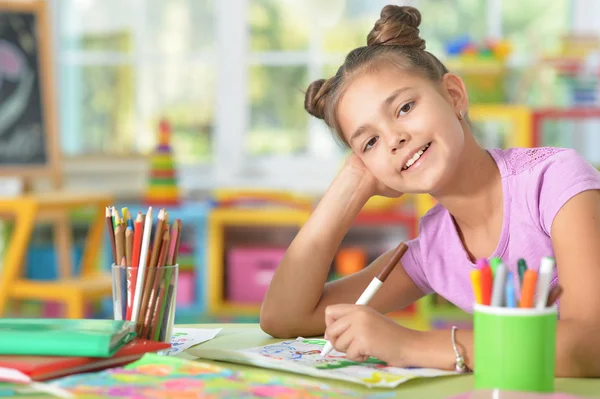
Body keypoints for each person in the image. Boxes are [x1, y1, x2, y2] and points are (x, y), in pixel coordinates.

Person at [259, 4, 600, 377]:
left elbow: (589, 345)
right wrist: (350, 186)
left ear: (453, 95)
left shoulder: (555, 183)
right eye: (369, 142)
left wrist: (409, 345)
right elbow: (284, 316)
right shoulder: (434, 250)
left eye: (405, 107)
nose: (394, 139)